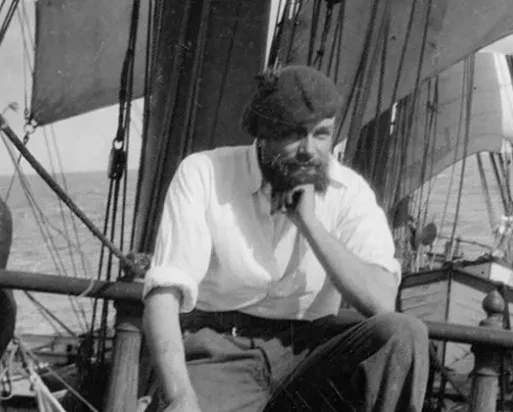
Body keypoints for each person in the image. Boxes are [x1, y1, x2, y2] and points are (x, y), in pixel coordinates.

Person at [142, 65, 430, 412]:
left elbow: (383, 300)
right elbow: (163, 296)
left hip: (311, 356)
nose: (309, 150)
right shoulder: (205, 173)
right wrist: (180, 396)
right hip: (222, 353)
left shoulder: (349, 191)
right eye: (295, 134)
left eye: (321, 134)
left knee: (404, 333)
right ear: (263, 134)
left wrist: (309, 224)